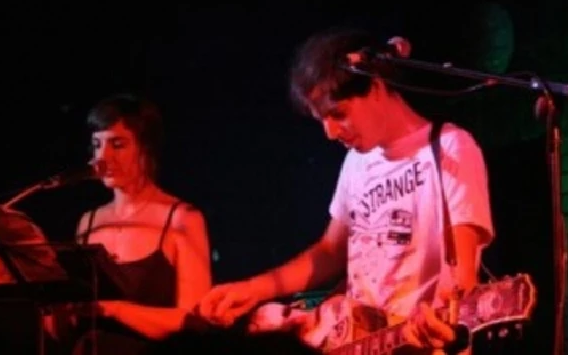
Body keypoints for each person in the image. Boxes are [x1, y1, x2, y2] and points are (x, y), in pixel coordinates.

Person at [195, 27, 495, 353]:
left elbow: (462, 273)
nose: (329, 132)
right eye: (322, 119)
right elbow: (330, 251)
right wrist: (254, 289)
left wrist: (441, 318)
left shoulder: (450, 147)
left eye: (338, 113)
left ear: (376, 87)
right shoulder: (356, 163)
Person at [44, 92, 213, 354]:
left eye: (117, 144)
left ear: (146, 149)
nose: (102, 157)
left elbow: (195, 321)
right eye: (97, 145)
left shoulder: (182, 218)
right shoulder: (89, 221)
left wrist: (115, 310)